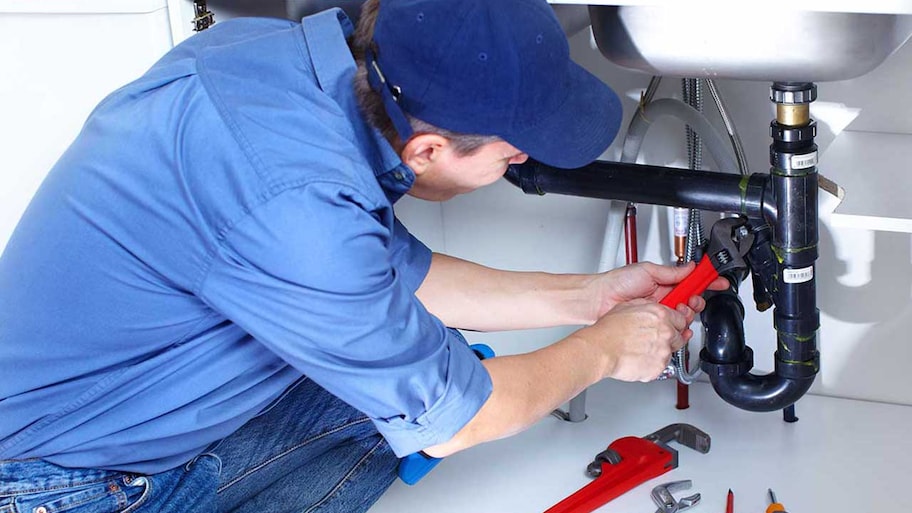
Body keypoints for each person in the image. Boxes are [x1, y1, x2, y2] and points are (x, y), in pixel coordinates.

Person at [0, 0, 722, 511]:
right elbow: (457, 424)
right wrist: (602, 350)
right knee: (442, 404)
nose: (523, 160)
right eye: (511, 154)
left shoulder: (276, 61)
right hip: (64, 485)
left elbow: (391, 273)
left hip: (87, 411)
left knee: (422, 387)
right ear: (429, 149)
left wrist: (589, 296)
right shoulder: (299, 208)